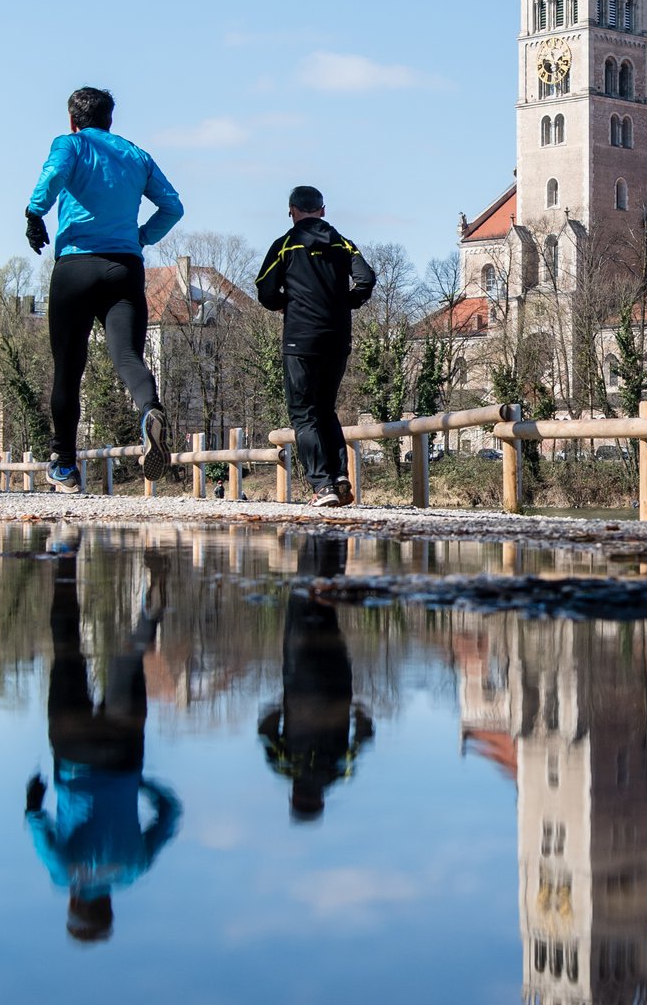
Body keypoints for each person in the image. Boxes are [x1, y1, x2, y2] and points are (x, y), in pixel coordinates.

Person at [25, 87, 183, 494]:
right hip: (124, 267)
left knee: (69, 368)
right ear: (110, 120)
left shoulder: (71, 144)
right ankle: (150, 409)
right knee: (128, 356)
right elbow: (173, 206)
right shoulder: (136, 155)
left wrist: (35, 212)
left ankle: (64, 466)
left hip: (76, 267)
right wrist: (142, 237)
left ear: (73, 120)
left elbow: (54, 173)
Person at [25, 539, 181, 943]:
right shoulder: (65, 874)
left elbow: (171, 812)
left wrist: (138, 782)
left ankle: (153, 601)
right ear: (74, 906)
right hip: (73, 750)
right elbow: (35, 821)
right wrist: (34, 796)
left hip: (123, 752)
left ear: (109, 905)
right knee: (67, 652)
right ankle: (64, 558)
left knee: (130, 656)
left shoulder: (134, 868)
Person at [255, 186, 376, 508]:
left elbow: (265, 291)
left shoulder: (284, 245)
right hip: (337, 337)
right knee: (326, 410)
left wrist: (288, 304)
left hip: (300, 338)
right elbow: (366, 278)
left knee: (304, 414)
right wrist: (345, 303)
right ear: (323, 210)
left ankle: (322, 486)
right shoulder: (342, 243)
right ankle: (339, 477)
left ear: (292, 211)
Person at [259, 533, 374, 822]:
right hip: (299, 681)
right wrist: (277, 706)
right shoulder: (287, 768)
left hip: (337, 682)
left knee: (327, 607)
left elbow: (365, 734)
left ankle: (333, 537)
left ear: (320, 799)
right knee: (302, 600)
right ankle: (315, 535)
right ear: (295, 797)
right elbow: (266, 729)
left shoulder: (339, 771)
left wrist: (357, 708)